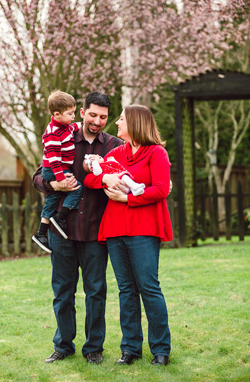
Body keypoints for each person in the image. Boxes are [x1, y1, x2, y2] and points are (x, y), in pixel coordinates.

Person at [32, 91, 123, 365]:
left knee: (96, 291)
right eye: (92, 115)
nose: (97, 121)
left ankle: (94, 347)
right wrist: (54, 185)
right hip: (62, 230)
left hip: (97, 230)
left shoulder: (115, 145)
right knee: (63, 291)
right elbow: (39, 177)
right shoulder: (63, 136)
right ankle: (63, 345)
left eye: (103, 117)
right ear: (82, 112)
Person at [84, 104, 173, 366]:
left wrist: (127, 197)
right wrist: (105, 181)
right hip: (114, 229)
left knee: (148, 287)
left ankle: (160, 350)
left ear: (135, 123)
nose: (116, 124)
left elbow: (160, 189)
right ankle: (130, 349)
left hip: (143, 229)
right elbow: (90, 178)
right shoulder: (115, 153)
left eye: (121, 119)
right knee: (126, 290)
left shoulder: (157, 153)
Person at [32, 90, 84, 253]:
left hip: (58, 169)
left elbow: (72, 128)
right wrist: (60, 179)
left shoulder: (64, 126)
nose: (73, 116)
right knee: (76, 187)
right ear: (57, 114)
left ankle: (41, 232)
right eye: (70, 113)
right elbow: (53, 158)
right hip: (54, 169)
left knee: (52, 199)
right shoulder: (53, 133)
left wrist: (83, 124)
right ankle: (60, 218)